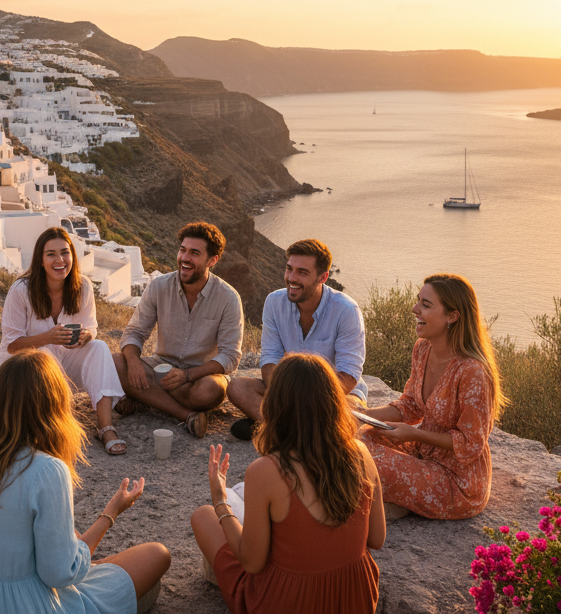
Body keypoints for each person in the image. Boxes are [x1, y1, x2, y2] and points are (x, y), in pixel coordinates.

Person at [0, 350, 171, 614]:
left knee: (83, 555)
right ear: (53, 406)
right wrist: (111, 513)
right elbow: (59, 574)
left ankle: (93, 566)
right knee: (157, 555)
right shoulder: (46, 470)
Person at [190, 354, 384, 614]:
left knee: (203, 516)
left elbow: (253, 563)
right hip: (355, 606)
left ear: (275, 407)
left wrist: (220, 501)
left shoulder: (267, 470)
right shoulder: (360, 453)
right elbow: (377, 539)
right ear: (334, 402)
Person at [358, 273, 504, 520]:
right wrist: (361, 414)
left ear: (452, 316)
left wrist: (413, 434)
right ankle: (400, 498)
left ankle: (397, 500)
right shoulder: (423, 348)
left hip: (456, 481)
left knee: (360, 458)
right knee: (358, 436)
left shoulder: (472, 371)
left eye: (425, 305)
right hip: (421, 452)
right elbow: (410, 406)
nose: (415, 309)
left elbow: (471, 443)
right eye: (418, 301)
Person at [0, 227, 129, 454]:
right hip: (20, 369)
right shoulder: (21, 290)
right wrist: (48, 337)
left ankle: (105, 426)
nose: (60, 260)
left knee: (99, 347)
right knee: (44, 354)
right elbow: (12, 345)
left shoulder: (82, 286)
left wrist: (86, 337)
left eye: (65, 252)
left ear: (72, 256)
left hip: (63, 359)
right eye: (51, 254)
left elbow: (91, 327)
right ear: (40, 260)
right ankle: (55, 426)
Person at [226, 238, 367, 440]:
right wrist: (287, 395)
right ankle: (299, 433)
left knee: (353, 412)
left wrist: (304, 402)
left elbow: (349, 376)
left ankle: (273, 428)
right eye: (289, 269)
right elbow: (270, 359)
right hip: (289, 389)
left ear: (323, 277)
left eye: (302, 272)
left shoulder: (346, 310)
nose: (292, 278)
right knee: (238, 388)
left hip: (333, 395)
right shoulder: (274, 302)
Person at [113, 221, 243, 438]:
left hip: (201, 375)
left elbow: (230, 357)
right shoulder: (159, 286)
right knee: (117, 362)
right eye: (183, 250)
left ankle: (145, 396)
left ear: (212, 260)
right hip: (160, 367)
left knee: (211, 391)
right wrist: (134, 362)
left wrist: (187, 375)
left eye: (194, 253)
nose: (184, 258)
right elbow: (134, 332)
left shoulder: (228, 298)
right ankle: (187, 415)